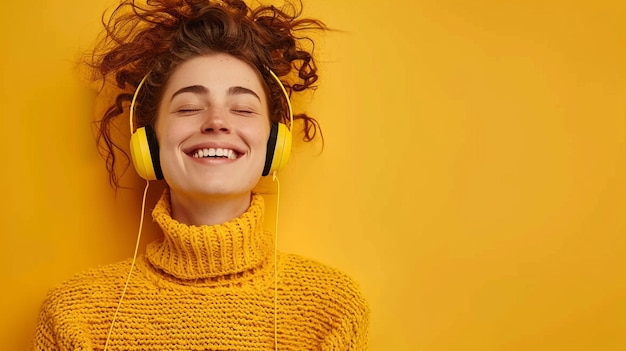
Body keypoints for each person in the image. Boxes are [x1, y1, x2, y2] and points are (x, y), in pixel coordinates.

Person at [30, 0, 369, 350]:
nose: (217, 122)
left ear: (273, 143)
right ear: (149, 142)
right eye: (189, 107)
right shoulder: (74, 314)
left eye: (242, 108)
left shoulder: (331, 310)